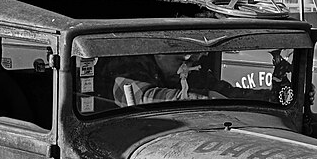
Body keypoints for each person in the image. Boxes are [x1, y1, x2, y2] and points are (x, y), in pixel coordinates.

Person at [106, 52, 264, 106]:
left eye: (192, 62)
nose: (187, 65)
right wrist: (203, 99)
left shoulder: (190, 72)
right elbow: (138, 96)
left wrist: (269, 98)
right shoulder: (128, 65)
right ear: (158, 51)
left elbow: (227, 92)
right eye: (181, 60)